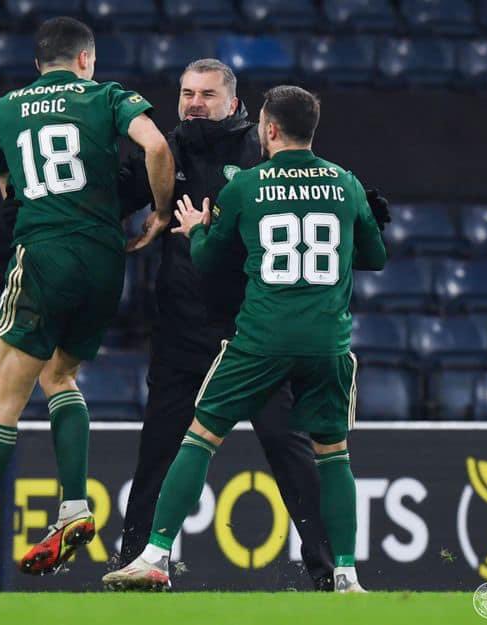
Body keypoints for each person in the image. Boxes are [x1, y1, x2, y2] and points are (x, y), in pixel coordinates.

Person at [0, 17, 175, 590]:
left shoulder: (7, 106)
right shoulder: (107, 95)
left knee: (2, 394)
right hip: (106, 259)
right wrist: (159, 213)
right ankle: (74, 508)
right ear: (86, 60)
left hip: (44, 251)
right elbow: (156, 144)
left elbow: (7, 183)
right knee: (61, 374)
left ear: (38, 65)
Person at [104, 86, 388, 593]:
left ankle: (153, 556)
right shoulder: (347, 185)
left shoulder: (249, 186)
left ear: (269, 129)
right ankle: (345, 573)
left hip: (260, 338)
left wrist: (195, 230)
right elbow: (375, 257)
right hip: (328, 342)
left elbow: (212, 263)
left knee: (199, 437)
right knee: (333, 454)